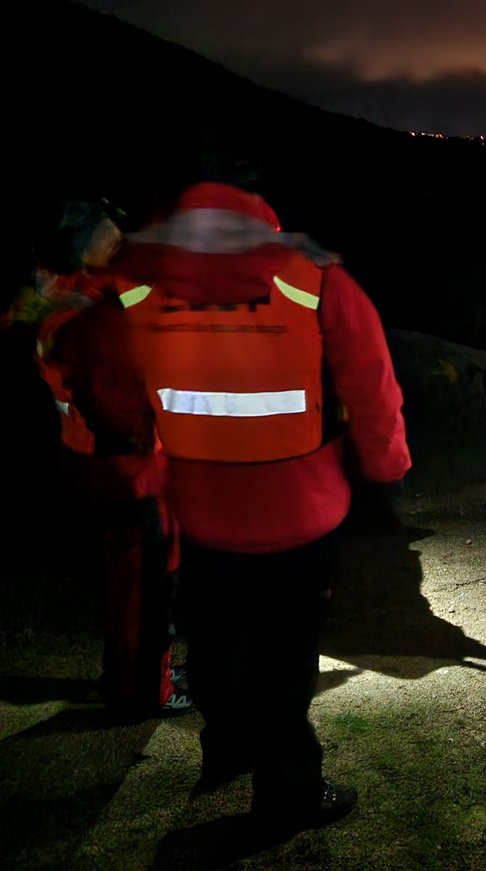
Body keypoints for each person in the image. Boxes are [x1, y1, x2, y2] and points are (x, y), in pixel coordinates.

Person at [110, 180, 412, 833]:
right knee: (285, 656)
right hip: (299, 515)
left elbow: (119, 387)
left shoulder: (139, 286)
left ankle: (228, 746)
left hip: (200, 512)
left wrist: (147, 466)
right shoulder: (317, 280)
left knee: (214, 641)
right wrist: (386, 469)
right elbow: (371, 382)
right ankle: (289, 793)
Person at [20, 199, 192, 719]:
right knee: (145, 585)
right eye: (110, 238)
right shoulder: (87, 313)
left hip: (102, 462)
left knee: (129, 582)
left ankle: (132, 672)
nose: (121, 243)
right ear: (84, 248)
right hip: (128, 469)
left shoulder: (64, 296)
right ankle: (143, 689)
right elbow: (120, 401)